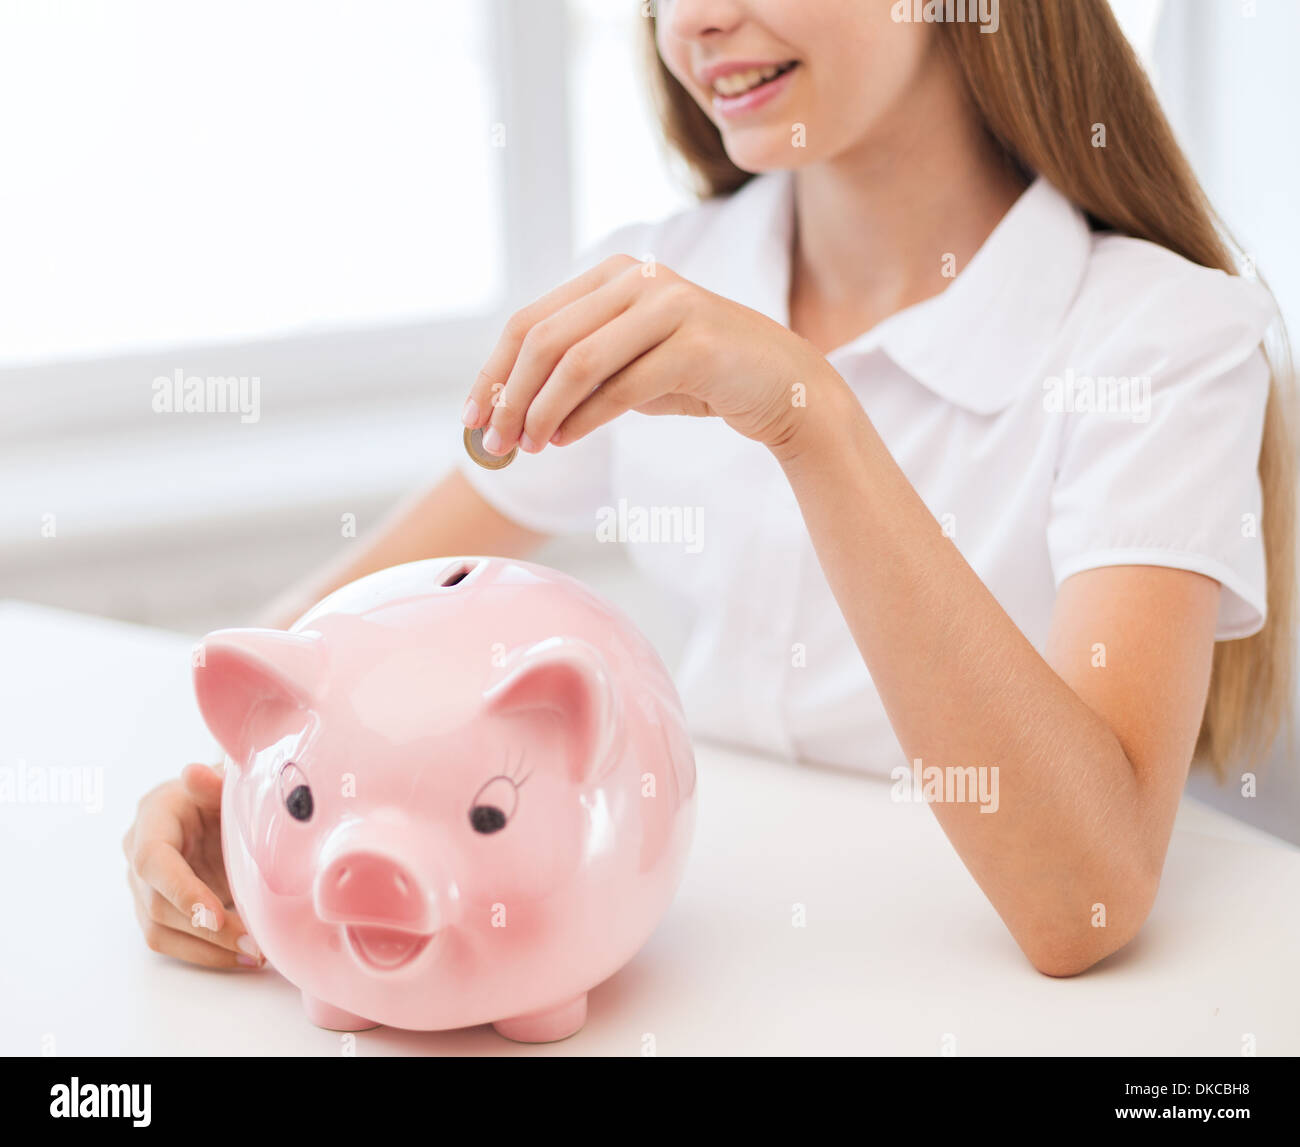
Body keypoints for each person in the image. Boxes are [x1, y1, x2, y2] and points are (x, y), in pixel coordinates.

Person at [125, 0, 1294, 977]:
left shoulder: (1160, 337)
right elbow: (340, 628)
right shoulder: (657, 284)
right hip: (703, 945)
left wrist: (809, 416)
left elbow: (1081, 906)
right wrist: (212, 786)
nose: (694, 22)